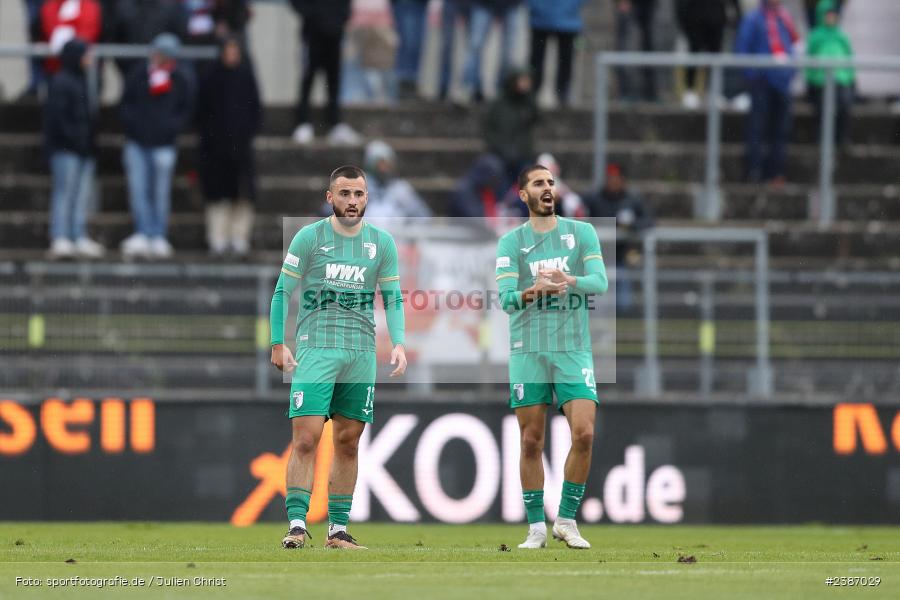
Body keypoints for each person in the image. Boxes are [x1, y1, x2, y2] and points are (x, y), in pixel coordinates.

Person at [270, 165, 407, 550]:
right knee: (306, 438)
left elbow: (393, 298)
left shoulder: (381, 243)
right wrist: (277, 343)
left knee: (348, 441)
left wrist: (398, 342)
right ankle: (297, 525)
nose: (352, 200)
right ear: (330, 197)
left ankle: (337, 531)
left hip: (361, 352)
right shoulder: (310, 237)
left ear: (367, 198)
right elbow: (282, 291)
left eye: (358, 194)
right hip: (316, 349)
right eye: (344, 193)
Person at [495, 165, 608, 549]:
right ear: (523, 194)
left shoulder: (581, 233)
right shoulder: (512, 243)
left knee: (585, 433)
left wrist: (568, 280)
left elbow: (600, 282)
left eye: (550, 183)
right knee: (531, 440)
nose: (547, 188)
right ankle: (535, 528)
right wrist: (534, 291)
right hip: (528, 350)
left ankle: (566, 520)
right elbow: (506, 299)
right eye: (538, 183)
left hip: (573, 350)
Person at [119, 33, 195, 259]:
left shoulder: (180, 78)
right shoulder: (139, 74)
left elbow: (186, 109)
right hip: (137, 142)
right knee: (138, 189)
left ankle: (158, 234)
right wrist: (133, 126)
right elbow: (125, 103)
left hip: (164, 144)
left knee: (160, 192)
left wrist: (170, 128)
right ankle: (142, 232)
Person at [197, 37, 262, 257]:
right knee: (218, 194)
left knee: (243, 194)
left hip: (241, 148)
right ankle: (217, 237)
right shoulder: (211, 77)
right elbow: (202, 111)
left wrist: (245, 133)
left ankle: (239, 236)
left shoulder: (246, 77)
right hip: (215, 149)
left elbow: (255, 110)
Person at [45, 38, 103, 259]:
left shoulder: (83, 80)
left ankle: (78, 234)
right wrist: (75, 141)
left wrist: (88, 144)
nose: (89, 59)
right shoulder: (61, 82)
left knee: (81, 195)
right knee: (64, 193)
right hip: (66, 149)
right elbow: (58, 119)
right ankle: (60, 235)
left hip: (83, 148)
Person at [735, 0, 799, 184]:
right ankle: (754, 170)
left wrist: (789, 72)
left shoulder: (784, 18)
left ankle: (776, 172)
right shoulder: (753, 19)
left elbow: (794, 48)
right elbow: (742, 50)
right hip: (761, 83)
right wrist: (756, 74)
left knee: (781, 130)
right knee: (757, 127)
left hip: (782, 83)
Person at [289, 0, 362, 146]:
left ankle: (334, 123)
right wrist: (314, 16)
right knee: (308, 79)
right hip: (312, 34)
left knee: (334, 80)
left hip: (335, 34)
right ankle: (302, 122)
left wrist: (340, 18)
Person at [584, 163, 653, 311]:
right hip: (598, 259)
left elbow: (649, 221)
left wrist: (632, 225)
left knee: (623, 303)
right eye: (610, 178)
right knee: (598, 304)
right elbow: (580, 216)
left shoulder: (631, 200)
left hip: (621, 257)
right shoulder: (595, 199)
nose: (612, 182)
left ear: (622, 180)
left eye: (616, 178)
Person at [676, 0, 742, 109]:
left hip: (716, 19)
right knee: (694, 52)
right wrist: (682, 20)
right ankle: (690, 90)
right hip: (693, 18)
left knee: (715, 56)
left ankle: (713, 91)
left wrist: (737, 14)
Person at [806, 0, 854, 146]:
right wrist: (813, 79)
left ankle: (841, 139)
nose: (831, 18)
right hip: (820, 81)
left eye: (833, 15)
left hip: (840, 79)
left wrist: (849, 78)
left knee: (844, 104)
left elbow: (849, 59)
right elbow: (808, 62)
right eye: (828, 15)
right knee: (823, 106)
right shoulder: (815, 37)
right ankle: (822, 139)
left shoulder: (842, 36)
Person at [483, 67, 539, 190]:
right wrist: (503, 149)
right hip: (500, 154)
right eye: (522, 81)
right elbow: (489, 132)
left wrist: (529, 96)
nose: (525, 84)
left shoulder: (527, 104)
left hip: (522, 155)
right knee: (494, 169)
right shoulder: (499, 105)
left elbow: (535, 119)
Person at [460, 0, 525, 104]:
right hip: (484, 4)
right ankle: (470, 88)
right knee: (475, 46)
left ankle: (504, 91)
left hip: (511, 4)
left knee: (509, 52)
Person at [528, 0, 586, 106]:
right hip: (540, 20)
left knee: (566, 60)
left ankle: (562, 93)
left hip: (568, 21)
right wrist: (538, 6)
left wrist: (571, 6)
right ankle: (533, 92)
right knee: (537, 60)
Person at [109, 0, 188, 76]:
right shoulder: (125, 6)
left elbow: (179, 33)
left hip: (165, 67)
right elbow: (116, 34)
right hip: (130, 65)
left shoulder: (169, 6)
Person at [361, 141, 432, 219]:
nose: (384, 168)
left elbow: (422, 215)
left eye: (387, 163)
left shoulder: (401, 189)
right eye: (380, 163)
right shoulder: (360, 187)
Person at [40, 0, 102, 75]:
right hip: (55, 68)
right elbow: (51, 29)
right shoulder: (51, 5)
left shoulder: (89, 5)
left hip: (83, 69)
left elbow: (87, 33)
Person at [613, 0, 658, 102]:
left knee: (648, 44)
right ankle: (624, 91)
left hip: (647, 4)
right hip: (627, 4)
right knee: (626, 44)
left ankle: (650, 92)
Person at [391, 0, 429, 100]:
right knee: (409, 41)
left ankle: (410, 82)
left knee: (416, 43)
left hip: (420, 4)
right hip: (405, 3)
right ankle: (405, 83)